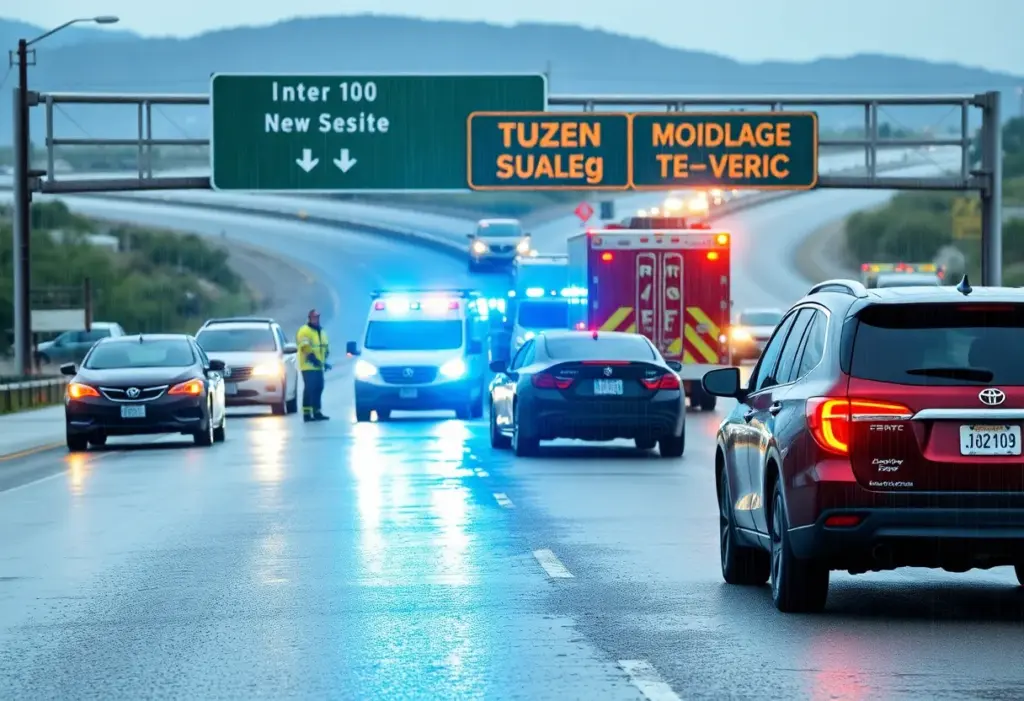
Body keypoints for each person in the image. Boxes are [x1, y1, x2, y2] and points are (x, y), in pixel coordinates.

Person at [296, 308, 331, 421]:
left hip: (319, 366)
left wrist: (324, 360)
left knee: (319, 388)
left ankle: (317, 412)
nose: (316, 319)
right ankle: (307, 414)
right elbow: (305, 348)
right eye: (314, 317)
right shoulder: (304, 331)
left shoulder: (321, 331)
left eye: (317, 317)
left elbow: (324, 347)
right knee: (310, 388)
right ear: (309, 318)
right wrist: (314, 359)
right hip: (308, 366)